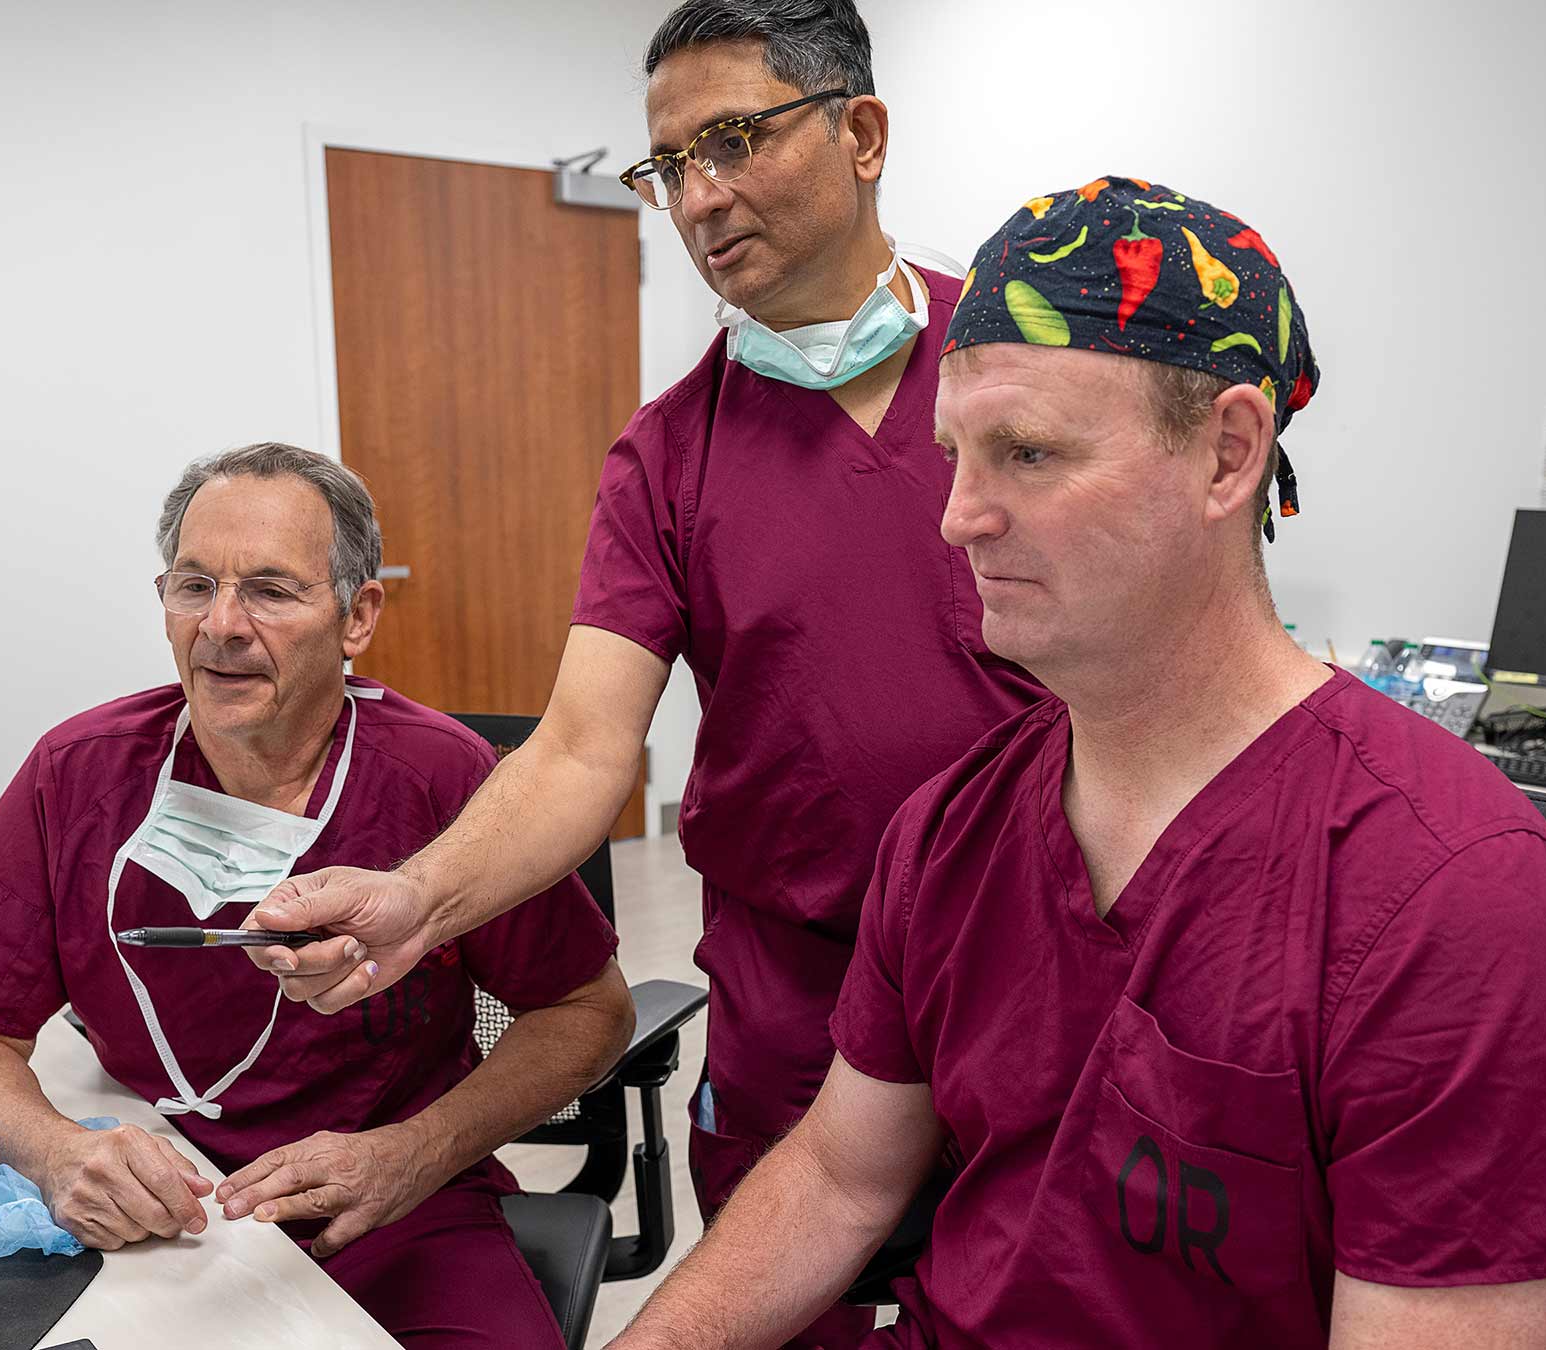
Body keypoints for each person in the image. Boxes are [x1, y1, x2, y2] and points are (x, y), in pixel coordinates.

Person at [606, 180, 1546, 1349]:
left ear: (1228, 454)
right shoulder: (954, 829)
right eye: (957, 453)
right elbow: (841, 1182)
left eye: (1029, 454)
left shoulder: (1446, 899)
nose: (958, 516)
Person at [248, 6, 1045, 1342]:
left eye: (733, 140)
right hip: (806, 1026)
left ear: (860, 134)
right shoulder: (670, 455)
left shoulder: (1022, 375)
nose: (699, 196)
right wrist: (415, 900)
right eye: (669, 164)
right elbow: (578, 748)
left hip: (1043, 999)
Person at [0, 443, 633, 1348]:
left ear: (357, 617)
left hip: (388, 1203)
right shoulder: (78, 774)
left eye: (272, 591)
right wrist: (57, 1153)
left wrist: (415, 1154)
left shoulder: (443, 780)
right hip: (154, 1207)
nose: (222, 626)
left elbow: (586, 1010)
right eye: (194, 585)